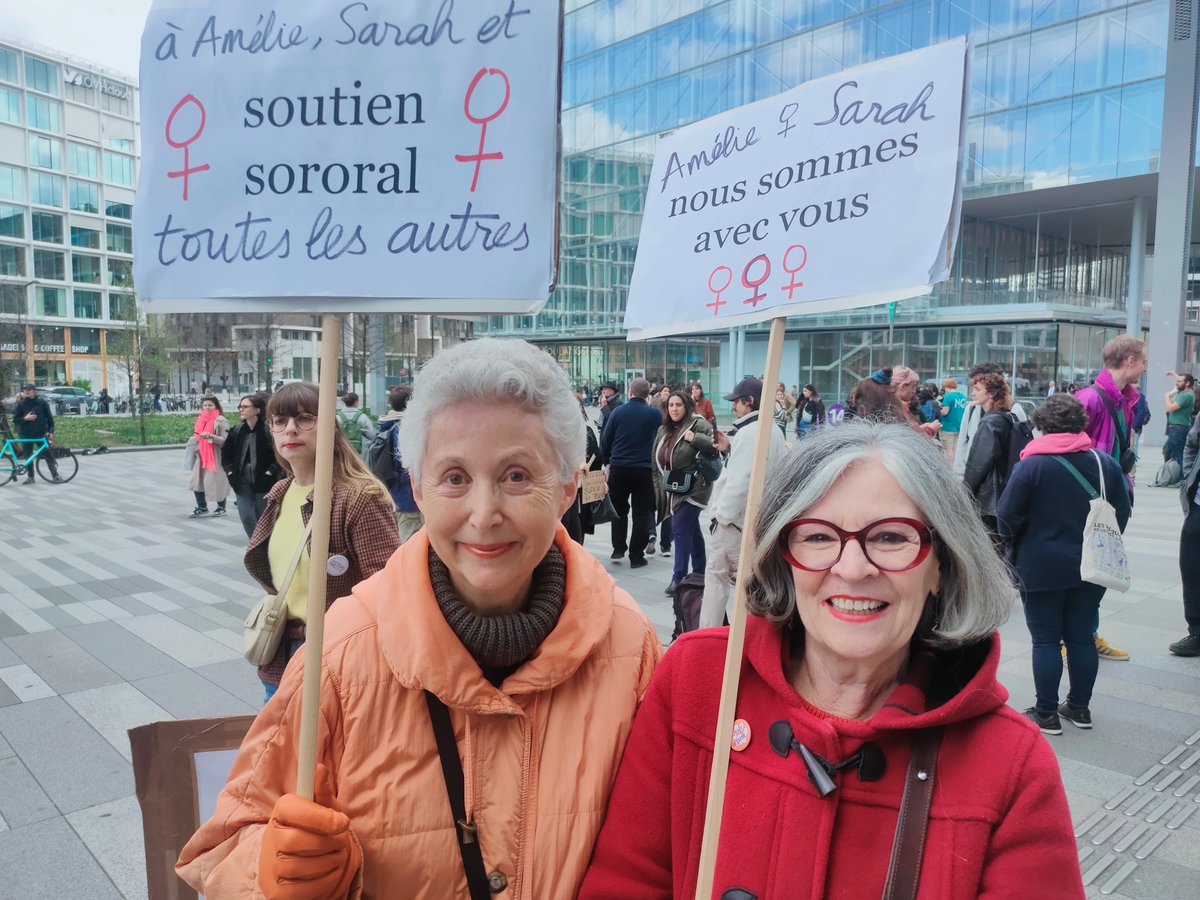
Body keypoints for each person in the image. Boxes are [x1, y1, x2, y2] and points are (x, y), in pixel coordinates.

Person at [177, 340, 661, 898]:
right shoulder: (342, 651)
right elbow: (223, 844)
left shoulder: (631, 645)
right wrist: (268, 871)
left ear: (568, 486)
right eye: (454, 477)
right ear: (419, 486)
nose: (484, 514)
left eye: (517, 475)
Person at [580, 422, 1082, 899]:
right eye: (818, 537)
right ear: (783, 555)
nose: (853, 568)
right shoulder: (700, 680)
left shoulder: (1013, 766)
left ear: (940, 568)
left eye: (890, 537)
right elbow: (627, 881)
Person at [240, 383, 398, 700]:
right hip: (279, 657)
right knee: (281, 749)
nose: (291, 430)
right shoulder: (279, 495)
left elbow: (388, 591)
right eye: (280, 421)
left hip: (337, 661)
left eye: (304, 418)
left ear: (328, 426)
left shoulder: (358, 497)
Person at [997, 394, 1130, 733]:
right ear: (1080, 425)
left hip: (1040, 565)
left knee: (1045, 640)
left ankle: (1046, 713)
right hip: (1091, 564)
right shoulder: (1103, 464)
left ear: (1041, 426)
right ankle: (1080, 709)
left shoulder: (1030, 466)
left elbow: (1007, 518)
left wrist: (1014, 550)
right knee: (1082, 637)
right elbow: (1122, 512)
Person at [1078, 335, 1144, 662]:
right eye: (1143, 360)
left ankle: (1086, 634)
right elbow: (1065, 445)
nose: (1145, 367)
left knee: (1100, 569)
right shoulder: (1089, 398)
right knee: (1084, 571)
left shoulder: (1125, 400)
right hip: (1089, 500)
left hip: (1114, 497)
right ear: (1129, 360)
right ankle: (1075, 637)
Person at [701, 377, 786, 629]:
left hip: (736, 522)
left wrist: (722, 519)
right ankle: (747, 636)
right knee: (748, 583)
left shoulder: (751, 432)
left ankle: (707, 635)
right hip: (754, 521)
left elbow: (741, 480)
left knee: (716, 581)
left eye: (737, 402)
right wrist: (729, 450)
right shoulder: (773, 429)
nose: (734, 407)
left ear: (749, 402)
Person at [652, 390, 714, 603]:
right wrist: (659, 488)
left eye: (678, 405)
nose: (674, 409)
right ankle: (699, 572)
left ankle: (678, 577)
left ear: (686, 406)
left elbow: (714, 448)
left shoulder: (698, 424)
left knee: (679, 528)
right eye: (671, 405)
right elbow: (655, 462)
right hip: (674, 486)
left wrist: (694, 438)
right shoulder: (664, 429)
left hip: (696, 486)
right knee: (691, 530)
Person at [601, 378, 661, 568]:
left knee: (618, 510)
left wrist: (609, 460)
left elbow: (605, 439)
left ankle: (618, 548)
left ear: (630, 393)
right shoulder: (654, 414)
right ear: (647, 395)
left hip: (619, 467)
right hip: (644, 470)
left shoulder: (618, 411)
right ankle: (636, 556)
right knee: (641, 513)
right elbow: (660, 438)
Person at [961, 372, 1016, 538]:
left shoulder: (990, 422)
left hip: (988, 497)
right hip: (1003, 491)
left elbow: (978, 464)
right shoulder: (1008, 417)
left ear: (991, 393)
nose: (973, 393)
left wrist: (965, 492)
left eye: (977, 389)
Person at [222, 393, 283, 538]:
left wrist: (270, 471)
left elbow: (279, 453)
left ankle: (266, 545)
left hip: (264, 479)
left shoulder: (268, 431)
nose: (241, 410)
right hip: (240, 478)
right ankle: (255, 544)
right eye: (240, 407)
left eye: (245, 406)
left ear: (257, 410)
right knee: (246, 516)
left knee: (263, 516)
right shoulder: (236, 431)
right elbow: (225, 455)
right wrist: (230, 472)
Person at [953, 362, 1027, 478]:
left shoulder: (1014, 410)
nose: (972, 393)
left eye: (978, 387)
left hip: (1001, 481)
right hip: (973, 479)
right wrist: (959, 477)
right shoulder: (971, 408)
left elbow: (1022, 450)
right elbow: (963, 443)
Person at [375, 385, 424, 543]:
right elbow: (407, 464)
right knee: (411, 541)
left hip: (397, 493)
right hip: (409, 495)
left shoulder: (388, 424)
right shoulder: (405, 428)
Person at [1173, 406, 1200, 656]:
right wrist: (1188, 475)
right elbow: (1191, 443)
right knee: (1191, 567)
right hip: (1199, 505)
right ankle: (1197, 632)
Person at [562, 394, 604, 544]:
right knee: (575, 532)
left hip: (574, 490)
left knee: (570, 531)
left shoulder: (557, 432)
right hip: (575, 491)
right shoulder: (585, 432)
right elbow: (598, 457)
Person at [186, 396, 231, 517]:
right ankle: (202, 507)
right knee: (197, 481)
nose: (207, 407)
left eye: (210, 405)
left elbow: (226, 440)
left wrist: (211, 437)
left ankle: (221, 507)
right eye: (205, 405)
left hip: (215, 456)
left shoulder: (221, 420)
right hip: (201, 456)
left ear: (216, 406)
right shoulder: (201, 419)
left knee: (217, 481)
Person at [12, 383, 59, 483]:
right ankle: (30, 477)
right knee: (28, 457)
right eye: (25, 390)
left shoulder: (42, 402)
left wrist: (50, 431)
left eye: (29, 389)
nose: (26, 391)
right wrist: (25, 418)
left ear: (34, 390)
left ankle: (55, 475)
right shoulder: (21, 404)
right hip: (25, 435)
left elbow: (49, 419)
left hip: (40, 435)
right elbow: (15, 420)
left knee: (47, 455)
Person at [1163, 371, 1195, 471]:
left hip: (1179, 428)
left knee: (1178, 454)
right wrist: (1173, 374)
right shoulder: (1182, 391)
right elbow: (1180, 381)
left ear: (1188, 383)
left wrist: (1166, 396)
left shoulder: (1186, 395)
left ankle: (1182, 478)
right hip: (1175, 427)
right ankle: (1173, 475)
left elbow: (1169, 408)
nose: (1176, 383)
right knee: (1167, 451)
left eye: (1179, 381)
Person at [337, 391, 377, 459]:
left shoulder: (338, 417)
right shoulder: (363, 417)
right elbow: (372, 435)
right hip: (360, 454)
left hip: (342, 453)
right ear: (356, 402)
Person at [938, 377, 967, 463]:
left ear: (946, 386)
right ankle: (955, 468)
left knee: (948, 450)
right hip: (958, 426)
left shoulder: (948, 396)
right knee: (955, 450)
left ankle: (950, 470)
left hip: (947, 426)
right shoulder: (962, 396)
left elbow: (945, 412)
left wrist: (939, 411)